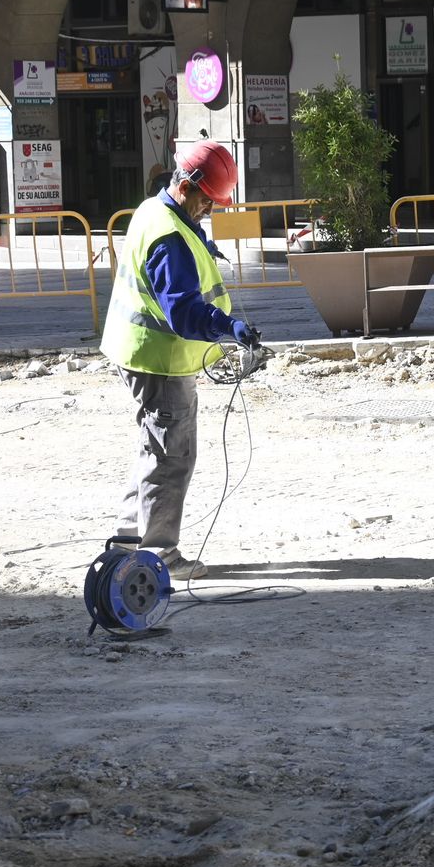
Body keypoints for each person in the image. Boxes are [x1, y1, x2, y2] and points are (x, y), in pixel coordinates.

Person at [99, 139, 260, 581]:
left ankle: (130, 541)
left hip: (139, 351)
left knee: (155, 448)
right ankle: (158, 555)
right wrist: (229, 329)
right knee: (171, 457)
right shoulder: (169, 236)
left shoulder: (155, 210)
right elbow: (185, 311)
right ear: (187, 185)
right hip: (159, 360)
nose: (210, 209)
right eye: (208, 200)